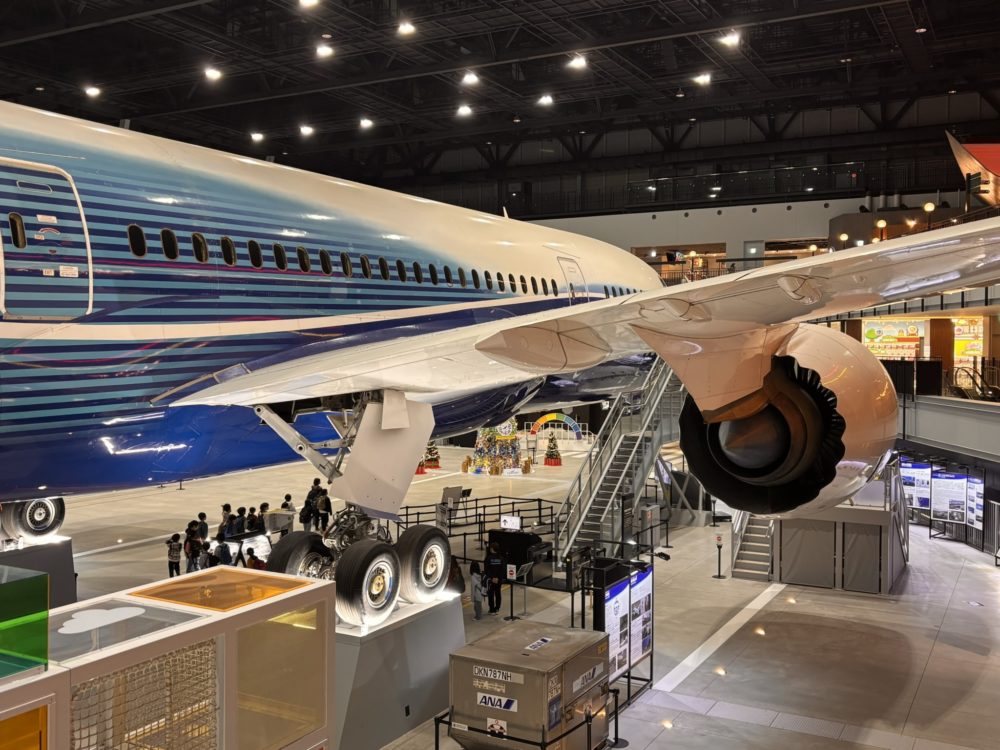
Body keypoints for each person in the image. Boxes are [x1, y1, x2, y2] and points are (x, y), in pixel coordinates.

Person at [484, 542, 506, 614]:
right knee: (498, 593)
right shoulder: (501, 558)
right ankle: (497, 608)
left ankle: (492, 609)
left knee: (491, 594)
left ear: (492, 549)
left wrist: (492, 578)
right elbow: (503, 570)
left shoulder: (488, 558)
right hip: (498, 580)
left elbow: (486, 570)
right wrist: (498, 578)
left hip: (491, 580)